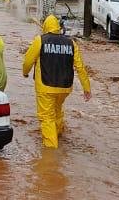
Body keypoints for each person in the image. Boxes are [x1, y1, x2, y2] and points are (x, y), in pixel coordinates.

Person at [22, 14, 91, 149]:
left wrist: (25, 73)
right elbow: (80, 67)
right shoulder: (71, 43)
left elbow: (28, 61)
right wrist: (86, 88)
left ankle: (51, 151)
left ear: (46, 27)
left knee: (46, 117)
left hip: (45, 87)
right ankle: (58, 134)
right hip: (64, 88)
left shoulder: (40, 40)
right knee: (57, 111)